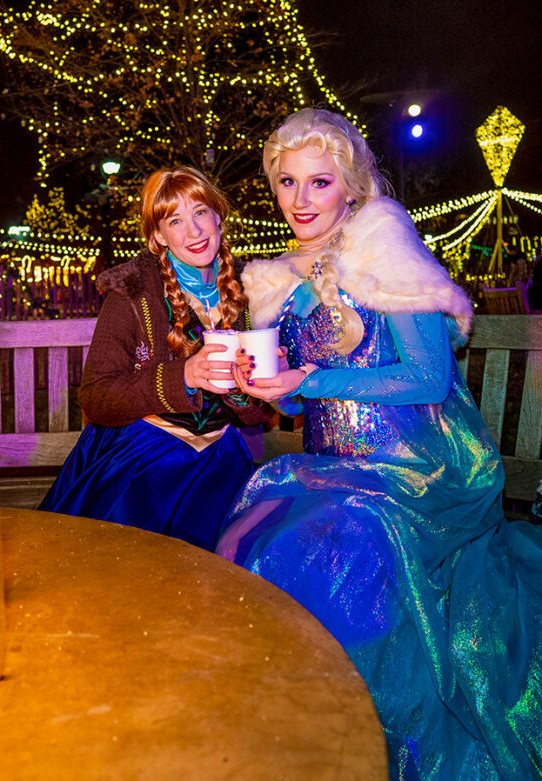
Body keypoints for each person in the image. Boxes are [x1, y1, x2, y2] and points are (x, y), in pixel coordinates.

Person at [216, 108, 542, 780]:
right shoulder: (280, 281)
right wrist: (272, 389)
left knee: (339, 555)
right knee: (250, 536)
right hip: (335, 467)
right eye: (286, 182)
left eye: (319, 182)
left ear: (350, 187)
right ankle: (298, 732)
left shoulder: (385, 247)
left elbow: (428, 376)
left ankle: (358, 739)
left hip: (417, 464)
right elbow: (305, 401)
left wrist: (315, 374)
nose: (300, 201)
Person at [38, 167, 271, 550]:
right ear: (158, 236)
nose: (193, 232)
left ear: (218, 216)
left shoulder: (252, 289)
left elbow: (260, 414)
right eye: (175, 220)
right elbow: (95, 398)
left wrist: (245, 389)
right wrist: (183, 377)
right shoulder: (132, 291)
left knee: (245, 551)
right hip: (144, 450)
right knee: (138, 550)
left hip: (221, 455)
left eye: (199, 213)